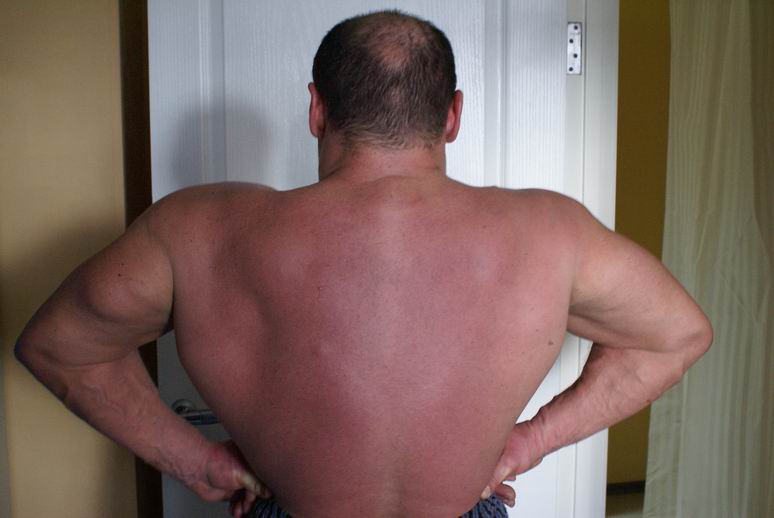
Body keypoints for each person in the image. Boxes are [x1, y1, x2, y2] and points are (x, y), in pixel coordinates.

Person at [15, 10, 712, 518]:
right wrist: (526, 445)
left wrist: (195, 460)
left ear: (316, 110)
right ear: (453, 116)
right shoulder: (551, 232)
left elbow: (56, 346)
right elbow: (677, 335)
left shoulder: (195, 230)